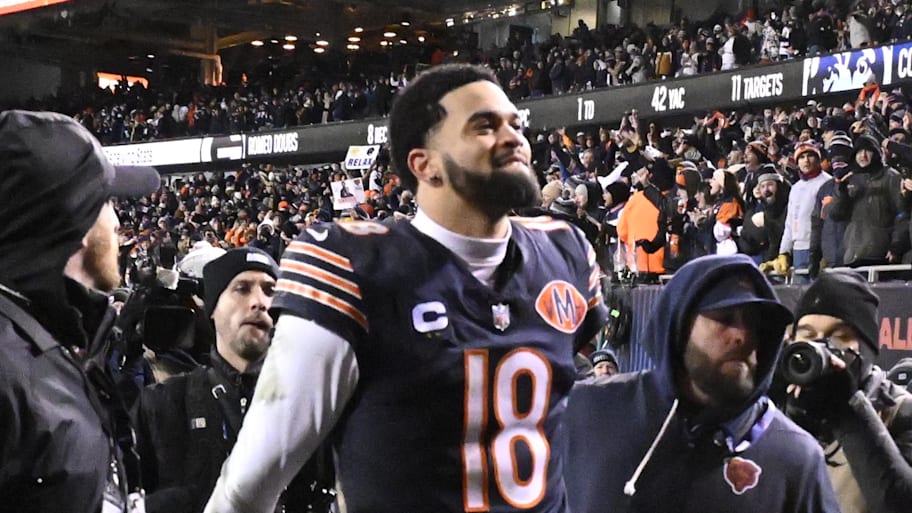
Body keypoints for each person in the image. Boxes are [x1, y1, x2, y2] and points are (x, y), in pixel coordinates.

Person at [204, 64, 609, 513]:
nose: (513, 137)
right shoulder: (353, 265)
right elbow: (252, 480)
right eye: (484, 126)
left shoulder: (565, 251)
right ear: (425, 165)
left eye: (516, 124)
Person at [564, 254, 840, 513]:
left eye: (755, 324)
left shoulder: (795, 457)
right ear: (679, 325)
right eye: (725, 318)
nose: (743, 336)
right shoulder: (587, 409)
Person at [0, 110, 160, 512]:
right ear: (75, 217)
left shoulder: (50, 337)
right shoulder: (10, 363)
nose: (118, 221)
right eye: (105, 202)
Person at [136, 247, 334, 513]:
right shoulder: (163, 403)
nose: (259, 302)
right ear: (212, 307)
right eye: (242, 289)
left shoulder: (313, 405)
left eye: (270, 291)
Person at [782, 270, 912, 513]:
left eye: (839, 337)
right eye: (808, 335)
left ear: (866, 348)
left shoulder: (902, 411)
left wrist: (847, 410)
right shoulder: (778, 404)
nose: (819, 346)